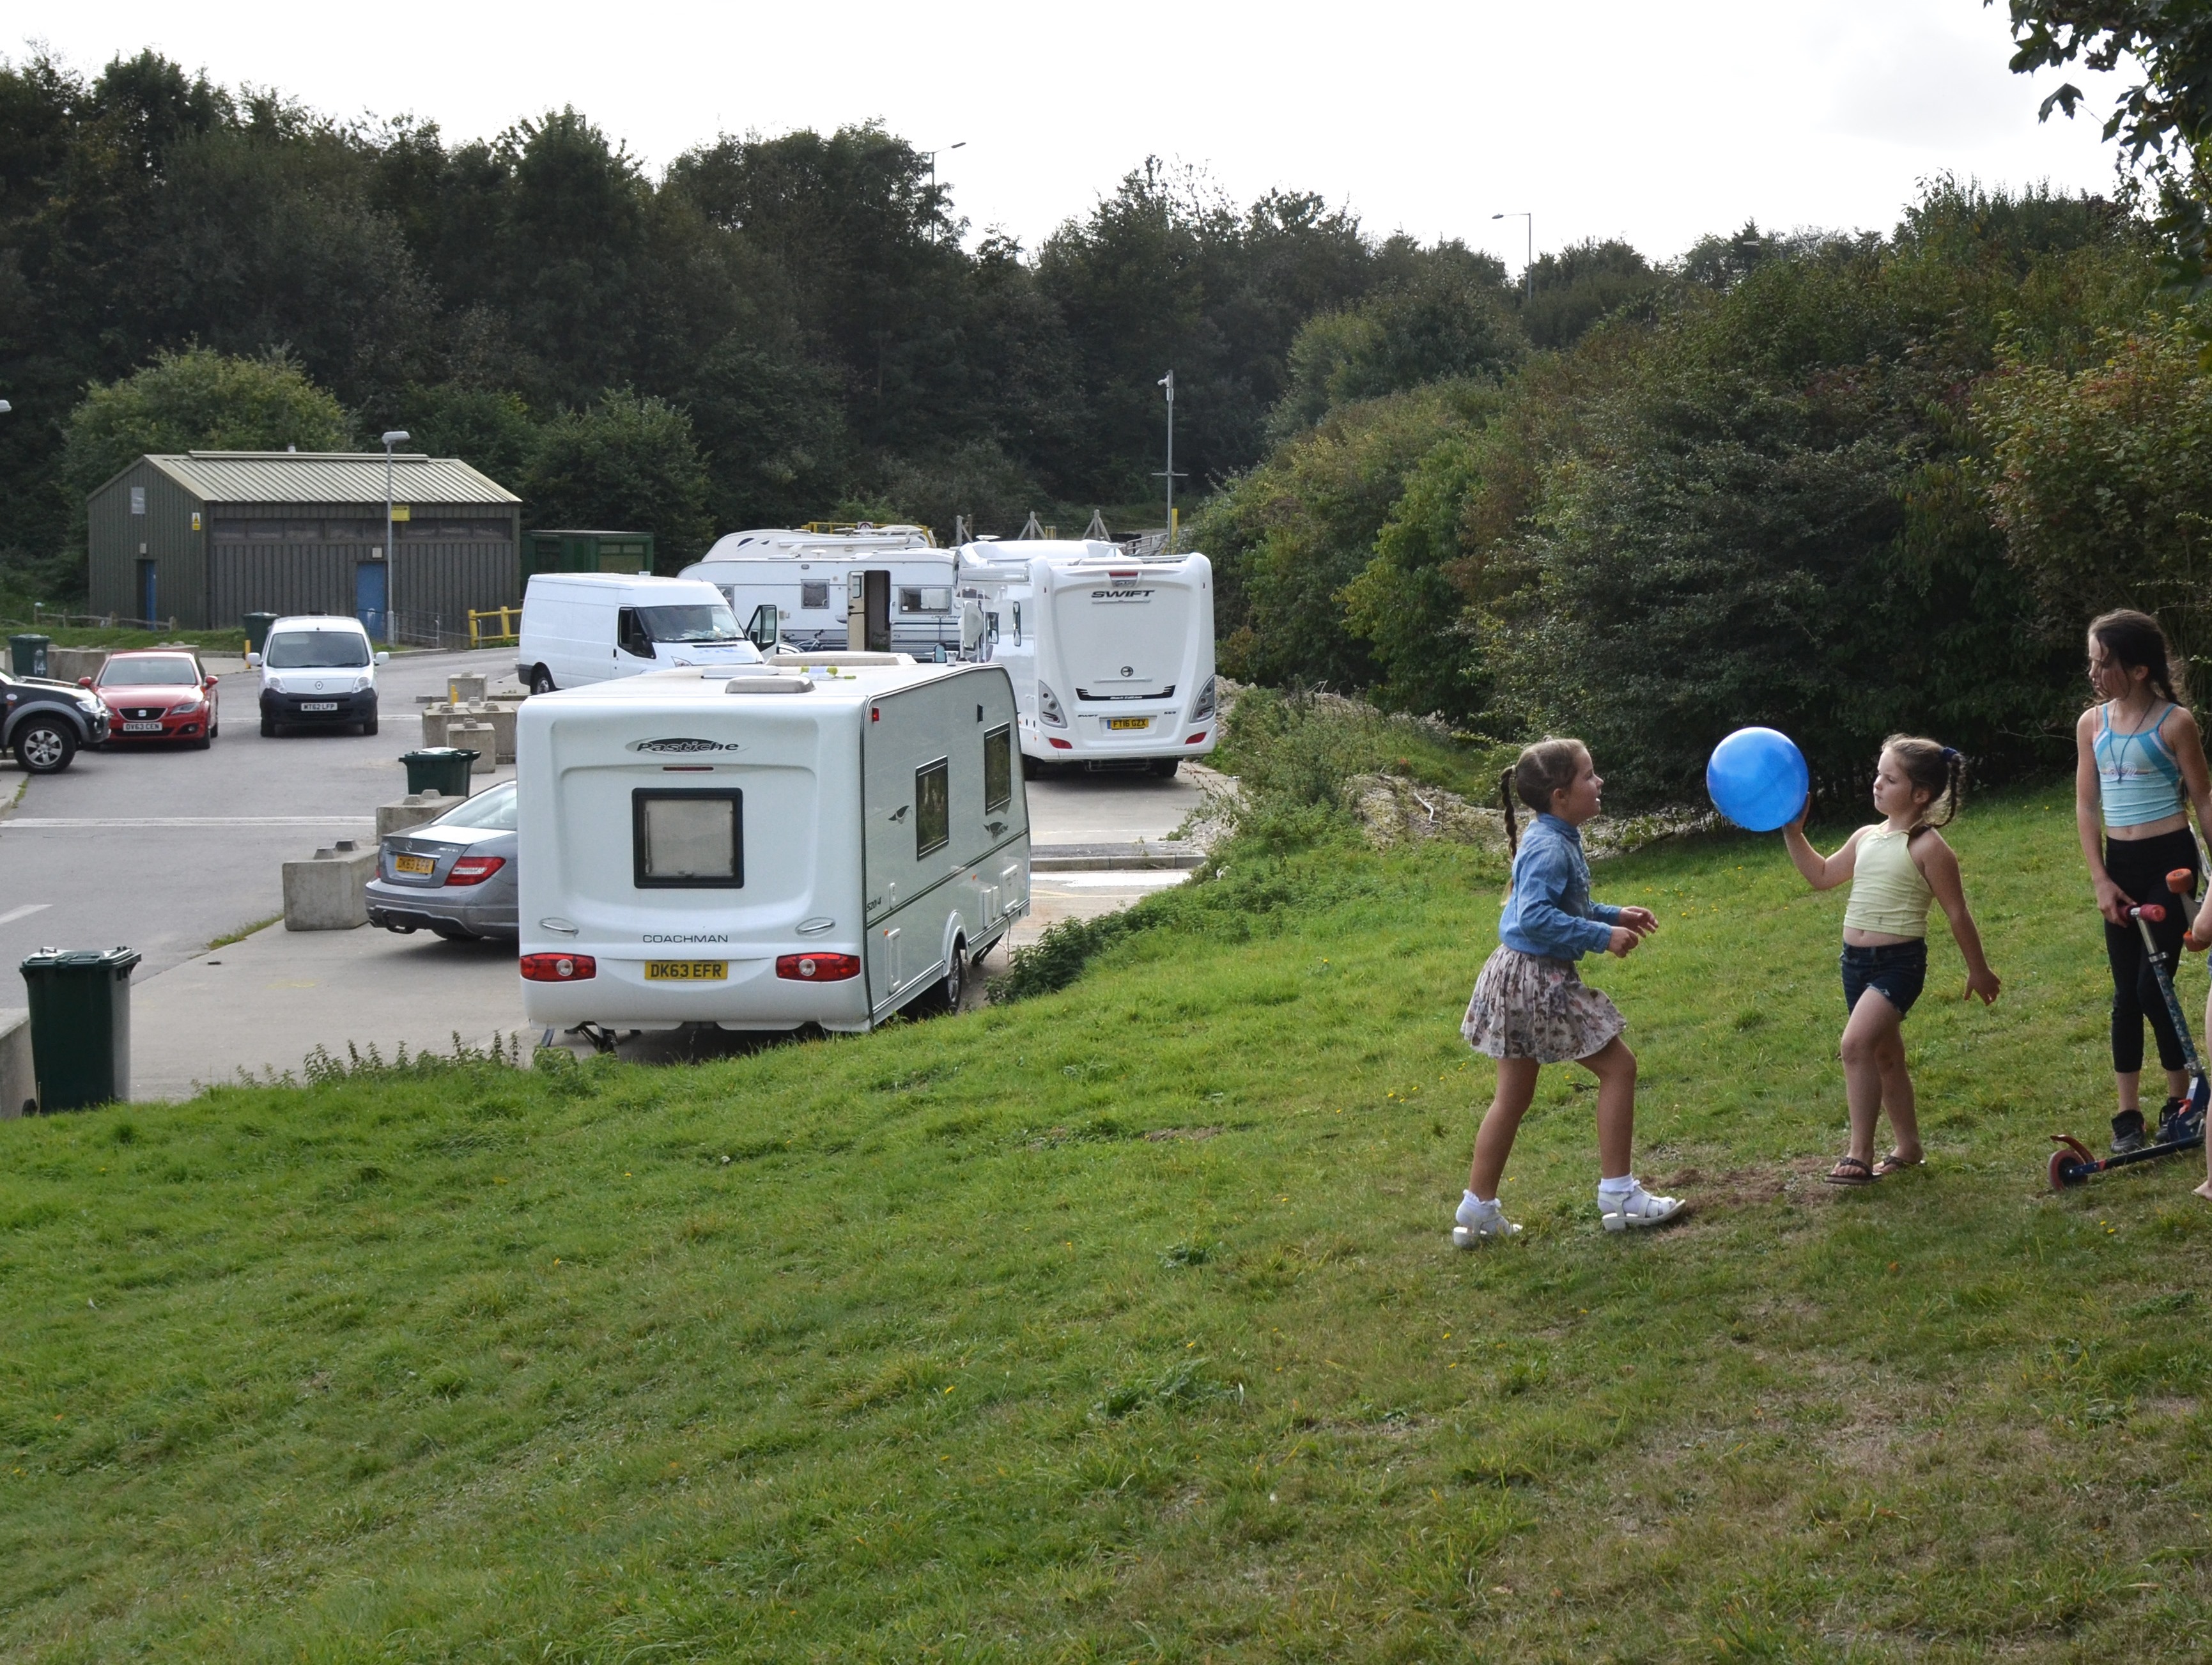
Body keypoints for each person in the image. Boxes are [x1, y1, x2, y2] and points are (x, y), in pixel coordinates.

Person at [1453, 737, 1685, 1243]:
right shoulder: (1549, 844)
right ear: (1560, 794)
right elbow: (1534, 916)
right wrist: (1600, 936)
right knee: (1618, 1067)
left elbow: (1563, 902)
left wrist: (1611, 913)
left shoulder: (1552, 836)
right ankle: (1619, 1194)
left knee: (1511, 1097)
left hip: (1513, 973)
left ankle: (1476, 1209)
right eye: (1588, 775)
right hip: (1537, 977)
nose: (1598, 782)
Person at [1784, 737, 2001, 1184]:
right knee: (1884, 1054)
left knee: (1854, 1045)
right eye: (1878, 774)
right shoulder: (1865, 836)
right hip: (1854, 964)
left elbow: (1957, 912)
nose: (1876, 783)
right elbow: (1822, 875)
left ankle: (1858, 1154)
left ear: (1919, 794)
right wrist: (1793, 833)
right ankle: (1908, 1146)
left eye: (1889, 777)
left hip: (1898, 965)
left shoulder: (1927, 848)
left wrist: (1977, 969)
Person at [2075, 610, 2212, 1154]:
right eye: (2090, 661)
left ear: (2136, 669)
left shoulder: (2174, 722)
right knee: (2123, 996)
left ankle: (2180, 1099)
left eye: (2103, 663)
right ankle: (2126, 1113)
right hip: (2121, 866)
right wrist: (2100, 879)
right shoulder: (2092, 725)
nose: (2093, 672)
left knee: (2149, 984)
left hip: (2170, 865)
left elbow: (2202, 797)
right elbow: (2086, 806)